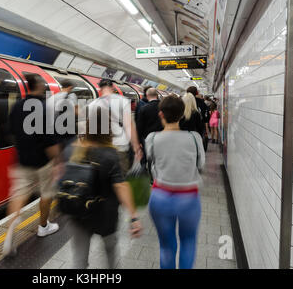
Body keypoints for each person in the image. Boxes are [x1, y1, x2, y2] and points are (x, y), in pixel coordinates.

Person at [63, 106, 142, 269]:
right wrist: (134, 217)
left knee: (79, 260)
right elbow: (121, 186)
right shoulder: (111, 155)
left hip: (77, 213)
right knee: (110, 252)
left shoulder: (72, 149)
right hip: (105, 214)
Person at [3, 75, 61, 256]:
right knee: (47, 192)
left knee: (19, 195)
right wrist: (57, 162)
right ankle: (43, 226)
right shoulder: (45, 108)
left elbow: (12, 133)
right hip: (43, 161)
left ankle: (10, 232)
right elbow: (50, 140)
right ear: (41, 86)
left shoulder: (17, 106)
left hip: (22, 160)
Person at [145, 95, 205, 269]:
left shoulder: (152, 138)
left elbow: (151, 163)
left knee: (166, 246)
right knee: (188, 242)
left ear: (160, 114)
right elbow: (200, 164)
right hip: (189, 198)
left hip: (160, 196)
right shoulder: (194, 137)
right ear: (181, 115)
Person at [88, 79, 142, 175]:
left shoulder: (92, 105)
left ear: (100, 90)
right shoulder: (123, 101)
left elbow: (91, 131)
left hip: (100, 148)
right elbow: (128, 125)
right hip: (120, 147)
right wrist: (136, 146)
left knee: (102, 179)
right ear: (113, 88)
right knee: (119, 177)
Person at [46, 80, 78, 149]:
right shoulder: (71, 97)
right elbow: (76, 112)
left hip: (55, 133)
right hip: (68, 133)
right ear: (70, 87)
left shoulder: (51, 98)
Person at [186, 86, 209, 151]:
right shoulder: (201, 102)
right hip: (198, 129)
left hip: (186, 131)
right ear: (196, 93)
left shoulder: (183, 102)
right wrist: (206, 129)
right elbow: (205, 116)